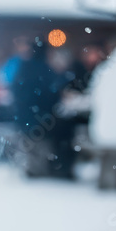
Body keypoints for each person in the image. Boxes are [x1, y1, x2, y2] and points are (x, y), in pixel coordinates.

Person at [12, 39, 72, 178]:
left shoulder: (23, 68)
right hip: (42, 118)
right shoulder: (46, 70)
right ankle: (47, 168)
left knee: (33, 142)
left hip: (23, 118)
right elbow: (52, 95)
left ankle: (33, 168)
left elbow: (16, 90)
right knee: (58, 134)